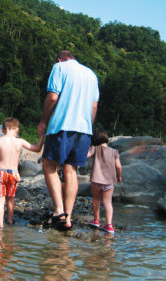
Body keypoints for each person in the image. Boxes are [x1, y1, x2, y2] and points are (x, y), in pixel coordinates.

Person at [37, 50, 99, 230]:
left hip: (62, 125)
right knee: (71, 170)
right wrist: (88, 126)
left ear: (60, 59)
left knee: (49, 165)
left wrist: (43, 120)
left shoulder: (59, 67)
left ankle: (59, 211)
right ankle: (68, 217)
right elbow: (94, 105)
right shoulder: (91, 74)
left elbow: (53, 96)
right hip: (84, 129)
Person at [0, 117, 45, 229]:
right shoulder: (19, 142)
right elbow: (36, 148)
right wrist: (41, 136)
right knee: (10, 198)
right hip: (14, 174)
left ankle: (0, 226)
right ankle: (10, 220)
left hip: (1, 172)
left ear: (2, 130)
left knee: (0, 200)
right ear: (17, 130)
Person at [86, 128, 122, 233]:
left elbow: (86, 155)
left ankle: (96, 220)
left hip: (96, 181)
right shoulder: (114, 152)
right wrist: (119, 176)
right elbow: (119, 166)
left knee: (96, 199)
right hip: (109, 182)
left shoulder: (94, 149)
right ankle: (109, 225)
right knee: (107, 202)